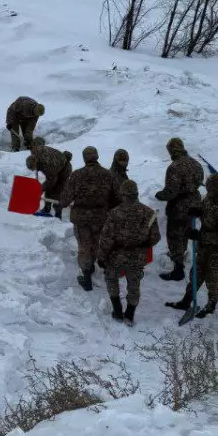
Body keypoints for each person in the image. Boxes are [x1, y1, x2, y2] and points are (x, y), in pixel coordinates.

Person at [164, 172, 218, 318]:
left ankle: (210, 307)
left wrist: (201, 236)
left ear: (217, 188)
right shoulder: (210, 198)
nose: (208, 191)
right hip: (204, 247)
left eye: (210, 188)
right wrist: (197, 211)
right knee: (196, 274)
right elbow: (203, 207)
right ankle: (186, 301)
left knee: (213, 278)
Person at [98, 180, 161, 325]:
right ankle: (130, 314)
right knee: (134, 285)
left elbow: (106, 238)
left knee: (111, 278)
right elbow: (156, 237)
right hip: (137, 257)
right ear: (136, 194)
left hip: (116, 256)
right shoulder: (148, 212)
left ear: (123, 194)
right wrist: (144, 244)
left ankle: (118, 310)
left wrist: (102, 257)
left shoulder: (115, 213)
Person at [58, 147, 120, 291]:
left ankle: (87, 277)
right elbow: (117, 197)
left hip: (82, 218)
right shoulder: (108, 175)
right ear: (97, 157)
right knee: (99, 242)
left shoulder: (77, 175)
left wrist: (61, 205)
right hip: (101, 217)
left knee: (85, 245)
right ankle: (100, 266)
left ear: (85, 158)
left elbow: (66, 197)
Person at [154, 137, 204, 280]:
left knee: (175, 236)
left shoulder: (174, 167)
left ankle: (178, 269)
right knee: (186, 231)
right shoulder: (196, 164)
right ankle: (181, 256)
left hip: (179, 207)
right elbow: (199, 182)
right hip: (194, 204)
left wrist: (159, 195)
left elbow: (171, 192)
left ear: (171, 150)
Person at [26, 138, 71, 218]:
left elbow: (52, 182)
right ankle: (47, 208)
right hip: (56, 161)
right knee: (49, 189)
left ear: (37, 163)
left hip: (64, 169)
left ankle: (58, 212)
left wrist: (40, 189)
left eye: (34, 168)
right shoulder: (34, 151)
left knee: (57, 190)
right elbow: (39, 140)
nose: (34, 170)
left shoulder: (48, 167)